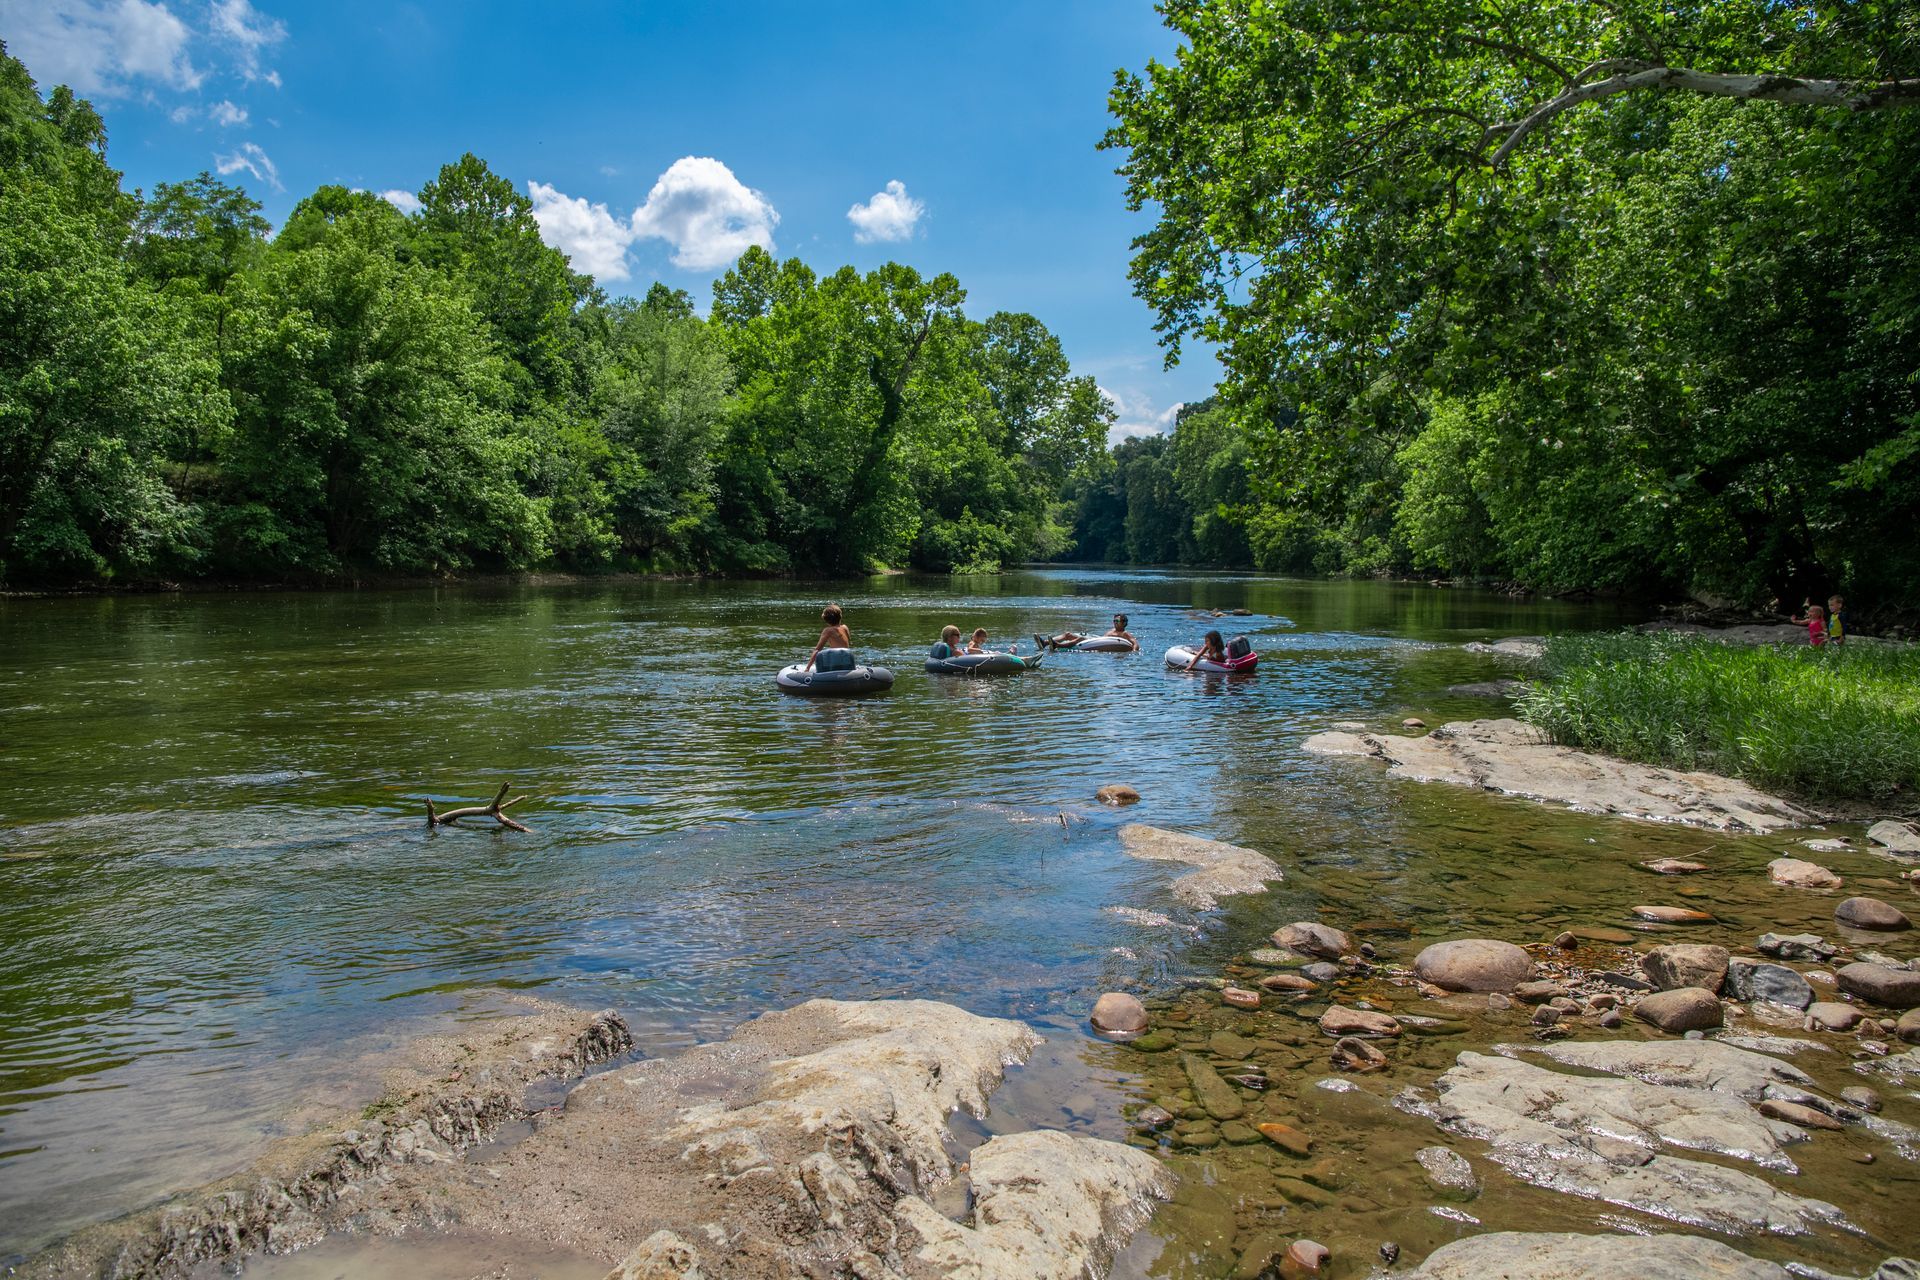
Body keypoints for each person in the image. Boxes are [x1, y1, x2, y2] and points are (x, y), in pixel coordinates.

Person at [1036, 613, 1137, 651]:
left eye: (1117, 621)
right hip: (1098, 640)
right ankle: (1045, 643)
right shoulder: (1111, 631)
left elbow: (1135, 643)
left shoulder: (1125, 634)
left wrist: (1133, 651)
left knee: (1081, 638)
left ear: (1123, 623)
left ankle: (1057, 645)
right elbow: (1102, 639)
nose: (1114, 623)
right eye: (1114, 621)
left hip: (1101, 643)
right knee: (1068, 634)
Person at [804, 603, 852, 671]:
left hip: (837, 663)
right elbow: (847, 644)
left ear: (825, 619)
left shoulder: (828, 630)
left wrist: (807, 668)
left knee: (821, 654)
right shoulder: (845, 627)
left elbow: (817, 650)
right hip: (848, 661)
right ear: (840, 616)